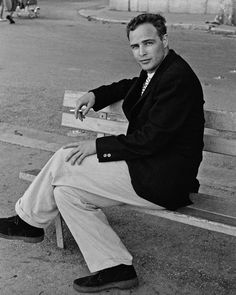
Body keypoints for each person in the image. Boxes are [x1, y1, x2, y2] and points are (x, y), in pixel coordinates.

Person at [0, 13, 205, 293]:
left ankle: (28, 221)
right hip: (147, 167)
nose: (142, 52)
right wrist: (96, 95)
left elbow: (150, 140)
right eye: (135, 46)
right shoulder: (159, 71)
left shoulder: (177, 79)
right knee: (65, 193)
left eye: (148, 43)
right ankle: (115, 268)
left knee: (65, 156)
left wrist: (96, 146)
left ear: (164, 40)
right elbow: (130, 86)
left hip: (163, 179)